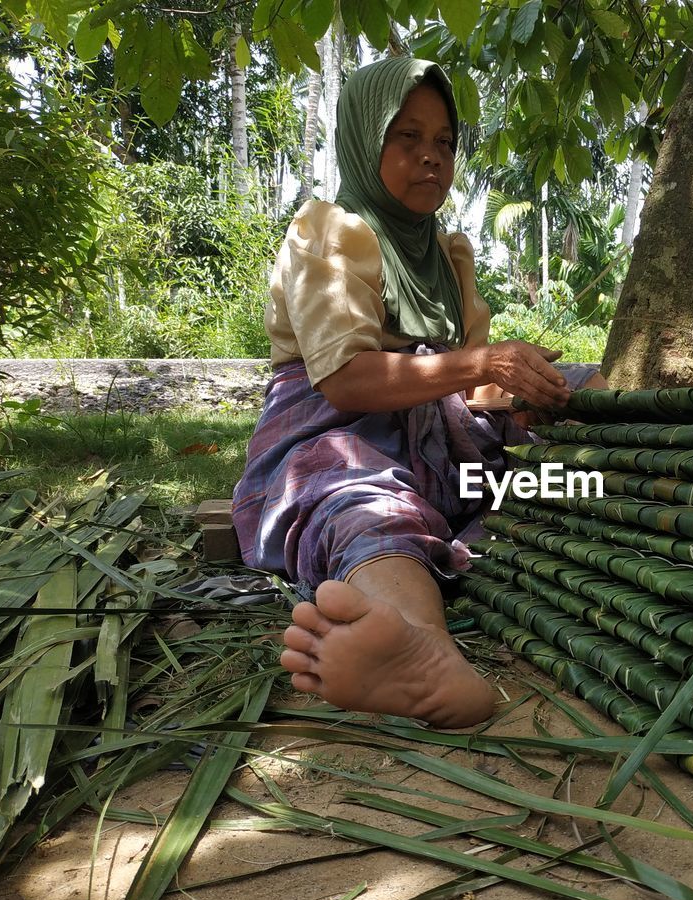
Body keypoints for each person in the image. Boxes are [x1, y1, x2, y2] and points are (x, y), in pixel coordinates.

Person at [232, 56, 604, 728]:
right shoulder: (330, 231)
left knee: (581, 411)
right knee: (368, 511)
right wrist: (482, 363)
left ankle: (653, 481)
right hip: (339, 435)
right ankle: (415, 644)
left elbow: (468, 381)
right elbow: (346, 377)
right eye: (407, 137)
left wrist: (525, 390)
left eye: (444, 142)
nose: (431, 157)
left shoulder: (447, 253)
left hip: (442, 440)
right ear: (363, 140)